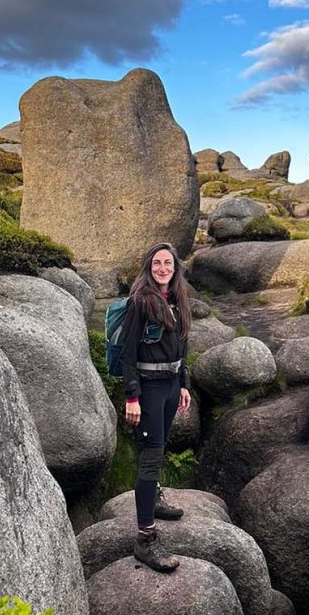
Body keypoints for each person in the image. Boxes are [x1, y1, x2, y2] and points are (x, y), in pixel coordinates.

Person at [121, 242, 192, 571]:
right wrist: (132, 396)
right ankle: (145, 539)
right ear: (148, 267)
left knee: (159, 447)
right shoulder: (140, 301)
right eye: (157, 263)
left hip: (171, 386)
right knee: (150, 456)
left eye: (168, 263)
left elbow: (183, 345)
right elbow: (128, 354)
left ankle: (155, 497)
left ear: (176, 267)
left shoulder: (178, 300)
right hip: (148, 390)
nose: (163, 268)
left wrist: (185, 385)